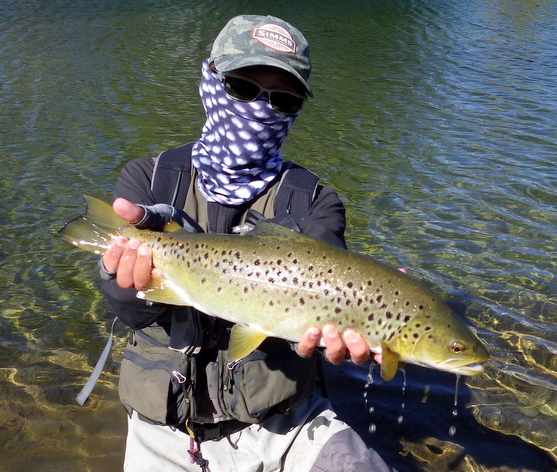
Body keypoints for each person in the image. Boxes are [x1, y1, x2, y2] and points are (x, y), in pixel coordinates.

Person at [98, 14, 393, 472]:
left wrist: (361, 312)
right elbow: (131, 312)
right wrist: (119, 276)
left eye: (282, 99)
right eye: (242, 88)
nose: (260, 110)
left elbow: (329, 295)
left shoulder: (316, 201)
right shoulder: (149, 178)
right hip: (163, 431)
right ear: (210, 81)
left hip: (285, 425)